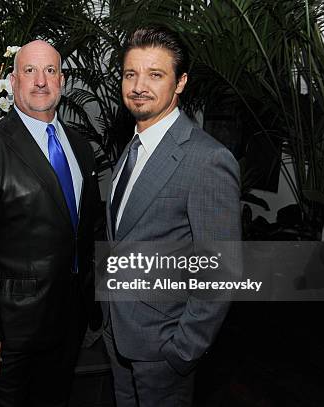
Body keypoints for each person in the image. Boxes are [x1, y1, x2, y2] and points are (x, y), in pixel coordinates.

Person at [0, 40, 99, 407]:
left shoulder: (80, 147)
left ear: (62, 81)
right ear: (14, 81)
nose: (40, 81)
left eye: (50, 71)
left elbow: (85, 231)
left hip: (68, 327)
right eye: (30, 71)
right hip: (10, 336)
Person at [103, 26, 241, 406]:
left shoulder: (207, 159)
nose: (139, 86)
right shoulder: (131, 147)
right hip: (119, 338)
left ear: (180, 83)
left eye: (155, 74)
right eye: (131, 74)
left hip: (164, 352)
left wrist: (181, 351)